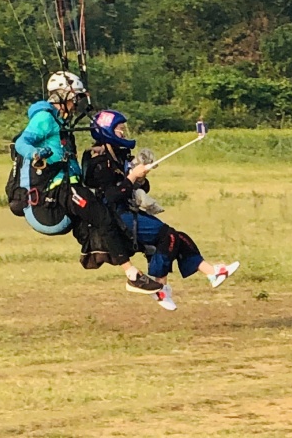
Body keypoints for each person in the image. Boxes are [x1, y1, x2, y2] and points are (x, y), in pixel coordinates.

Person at [12, 74, 165, 294]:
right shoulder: (44, 118)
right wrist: (35, 154)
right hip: (58, 188)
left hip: (69, 183)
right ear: (63, 96)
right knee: (102, 215)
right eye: (75, 99)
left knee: (101, 218)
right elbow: (21, 142)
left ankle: (142, 255)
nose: (76, 105)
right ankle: (132, 275)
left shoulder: (59, 120)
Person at [81, 108, 240, 311]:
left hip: (128, 210)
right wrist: (131, 178)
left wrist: (140, 177)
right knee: (168, 237)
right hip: (118, 216)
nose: (123, 133)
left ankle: (212, 272)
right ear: (107, 131)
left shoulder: (118, 156)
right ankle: (160, 287)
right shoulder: (99, 162)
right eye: (120, 130)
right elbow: (111, 196)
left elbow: (137, 187)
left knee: (178, 238)